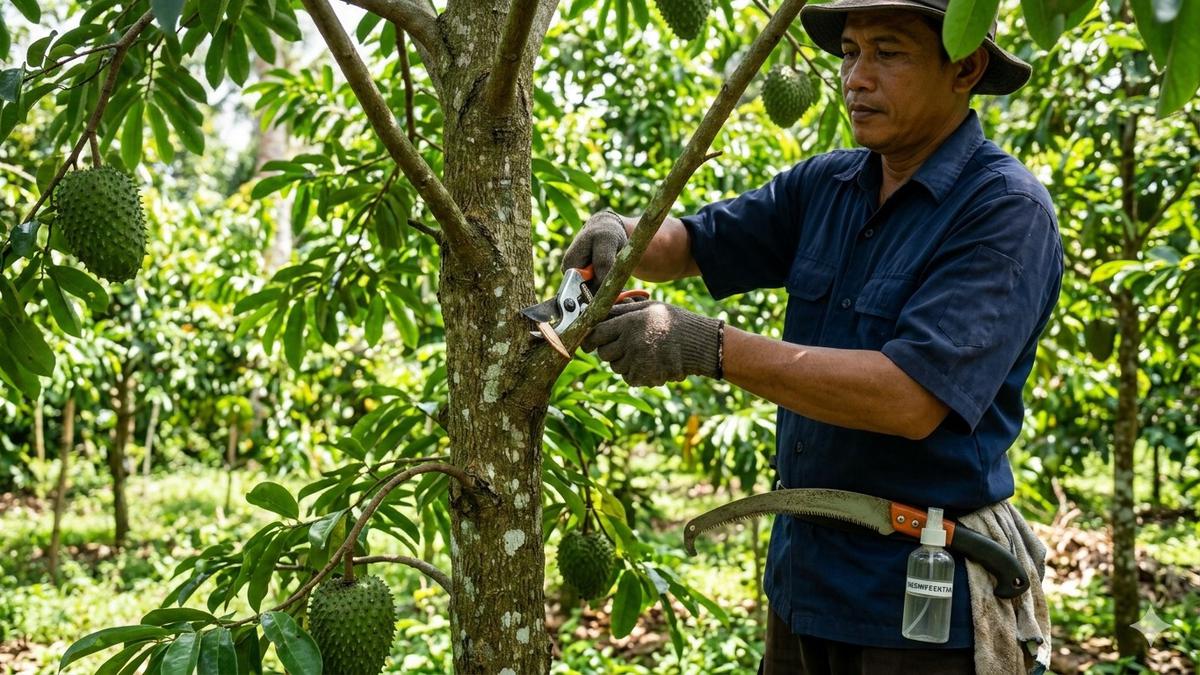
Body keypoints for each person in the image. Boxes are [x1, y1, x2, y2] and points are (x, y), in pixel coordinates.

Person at [562, 0, 1063, 672]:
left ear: (965, 67)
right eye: (850, 53)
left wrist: (705, 345)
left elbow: (910, 398)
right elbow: (695, 243)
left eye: (888, 52)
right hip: (804, 581)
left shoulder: (1004, 211)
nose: (855, 77)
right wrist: (626, 234)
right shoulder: (827, 184)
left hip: (916, 604)